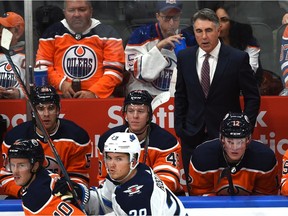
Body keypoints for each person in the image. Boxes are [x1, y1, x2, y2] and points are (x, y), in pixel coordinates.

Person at [174, 8, 260, 182]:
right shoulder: (185, 57)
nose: (204, 36)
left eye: (208, 30)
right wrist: (180, 128)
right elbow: (181, 96)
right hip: (191, 135)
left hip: (228, 138)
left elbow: (253, 97)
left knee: (226, 190)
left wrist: (243, 129)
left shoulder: (237, 58)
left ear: (218, 30)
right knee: (195, 191)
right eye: (199, 31)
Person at [55, 132, 187, 215]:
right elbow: (104, 203)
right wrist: (79, 191)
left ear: (133, 160)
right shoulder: (136, 171)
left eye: (119, 159)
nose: (111, 164)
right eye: (109, 157)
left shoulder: (137, 198)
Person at [1, 85, 91, 198]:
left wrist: (68, 190)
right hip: (25, 195)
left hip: (60, 197)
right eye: (40, 108)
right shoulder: (15, 138)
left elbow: (79, 177)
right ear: (32, 111)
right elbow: (6, 177)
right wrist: (26, 192)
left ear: (58, 110)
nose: (46, 114)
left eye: (51, 108)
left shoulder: (76, 137)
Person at [97, 90, 184, 195]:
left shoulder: (165, 141)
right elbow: (104, 180)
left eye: (141, 111)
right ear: (125, 115)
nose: (135, 116)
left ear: (149, 115)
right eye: (130, 111)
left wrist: (136, 194)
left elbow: (169, 181)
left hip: (161, 200)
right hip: (121, 197)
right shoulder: (108, 140)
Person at [35, 0, 125, 98]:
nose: (76, 14)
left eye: (82, 10)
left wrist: (94, 93)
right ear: (64, 12)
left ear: (91, 11)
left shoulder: (108, 33)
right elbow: (42, 67)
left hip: (99, 99)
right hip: (59, 98)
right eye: (71, 10)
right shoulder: (51, 33)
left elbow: (115, 71)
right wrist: (61, 84)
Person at [188, 112, 279, 196]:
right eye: (230, 142)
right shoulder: (203, 157)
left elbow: (267, 198)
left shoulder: (264, 158)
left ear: (248, 140)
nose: (235, 148)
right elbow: (199, 197)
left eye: (240, 142)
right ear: (222, 139)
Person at [125, 0, 196, 97]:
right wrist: (159, 46)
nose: (171, 23)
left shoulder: (188, 40)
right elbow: (138, 73)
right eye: (167, 17)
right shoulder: (140, 35)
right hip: (142, 100)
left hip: (174, 101)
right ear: (158, 16)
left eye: (175, 17)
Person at [6, 139, 86, 215]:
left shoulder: (34, 198)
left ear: (35, 166)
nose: (15, 171)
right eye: (12, 165)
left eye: (21, 165)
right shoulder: (48, 178)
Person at [214, 5, 263, 84]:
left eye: (224, 20)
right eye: (216, 20)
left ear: (234, 23)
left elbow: (248, 73)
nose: (219, 25)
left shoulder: (249, 44)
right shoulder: (212, 43)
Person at [0, 12, 25, 99]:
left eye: (5, 29)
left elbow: (35, 85)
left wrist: (19, 93)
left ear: (17, 31)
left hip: (19, 109)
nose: (0, 34)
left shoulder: (28, 55)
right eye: (0, 29)